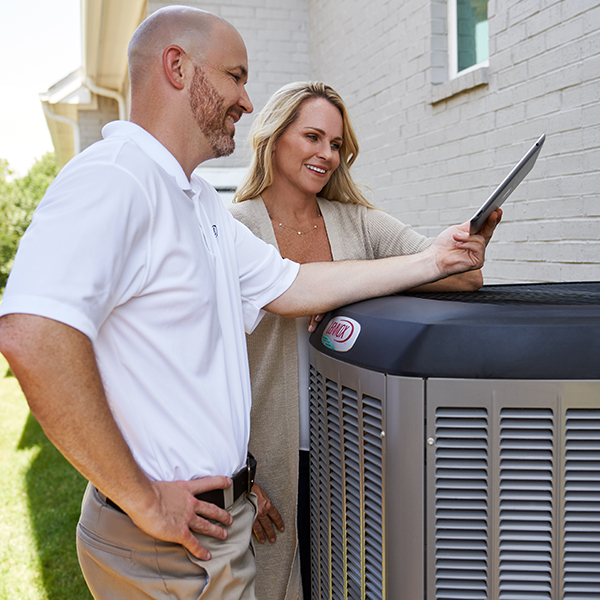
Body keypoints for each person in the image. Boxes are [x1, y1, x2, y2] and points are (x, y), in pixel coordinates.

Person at [0, 8, 499, 600]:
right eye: (235, 76)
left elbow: (292, 286)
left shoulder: (194, 203)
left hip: (209, 529)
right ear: (178, 67)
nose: (245, 98)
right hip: (167, 537)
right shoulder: (117, 179)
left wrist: (435, 261)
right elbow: (32, 334)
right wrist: (142, 497)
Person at [230, 81, 500, 600]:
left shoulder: (356, 223)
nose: (326, 155)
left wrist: (463, 250)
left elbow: (460, 276)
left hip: (350, 453)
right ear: (274, 136)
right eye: (312, 137)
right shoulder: (234, 228)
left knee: (346, 580)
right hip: (265, 457)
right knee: (270, 586)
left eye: (336, 145)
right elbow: (205, 363)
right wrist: (237, 476)